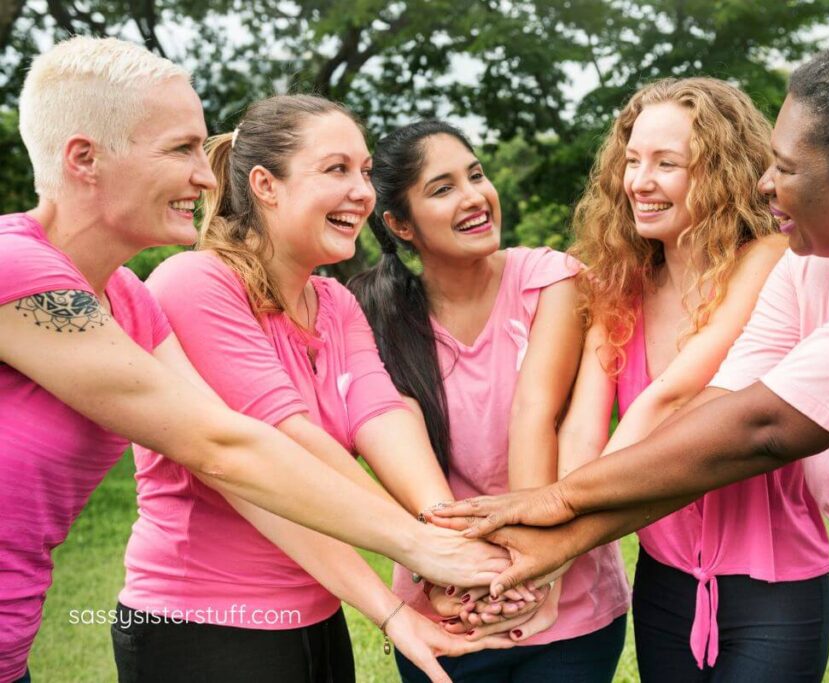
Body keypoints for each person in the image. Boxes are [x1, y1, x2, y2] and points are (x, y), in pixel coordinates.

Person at [433, 37, 829, 683]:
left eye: (788, 167)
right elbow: (717, 412)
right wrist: (551, 545)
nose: (766, 183)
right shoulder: (816, 272)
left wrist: (560, 498)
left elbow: (761, 429)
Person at [0, 37, 504, 683]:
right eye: (182, 148)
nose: (209, 175)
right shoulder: (18, 266)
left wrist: (397, 597)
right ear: (84, 158)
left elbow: (239, 464)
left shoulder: (126, 301)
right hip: (199, 626)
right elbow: (227, 444)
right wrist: (424, 547)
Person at [559, 77, 829, 680]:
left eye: (667, 163)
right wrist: (553, 529)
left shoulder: (768, 259)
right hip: (664, 584)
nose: (639, 182)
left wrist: (556, 525)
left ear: (723, 172)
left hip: (775, 586)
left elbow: (673, 397)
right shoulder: (619, 285)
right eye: (632, 160)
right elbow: (583, 423)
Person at [349, 120, 631, 682]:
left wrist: (532, 568)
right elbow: (396, 453)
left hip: (571, 605)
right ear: (400, 224)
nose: (475, 196)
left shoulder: (550, 279)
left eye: (475, 175)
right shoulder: (374, 315)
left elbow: (537, 412)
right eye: (443, 188)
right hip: (450, 606)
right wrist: (465, 577)